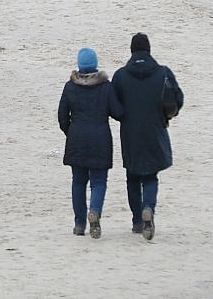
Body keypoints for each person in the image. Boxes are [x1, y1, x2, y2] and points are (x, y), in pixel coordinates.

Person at [111, 33, 183, 240]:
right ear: (149, 50)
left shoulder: (121, 76)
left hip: (130, 133)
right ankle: (149, 208)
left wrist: (124, 116)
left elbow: (114, 106)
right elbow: (178, 98)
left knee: (132, 177)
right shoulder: (163, 73)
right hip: (155, 129)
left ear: (132, 51)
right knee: (151, 175)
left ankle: (136, 221)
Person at [58, 47, 123, 239]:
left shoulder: (70, 86)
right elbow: (118, 112)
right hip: (100, 138)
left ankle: (79, 223)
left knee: (78, 182)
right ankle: (94, 211)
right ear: (95, 64)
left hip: (76, 138)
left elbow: (62, 116)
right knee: (98, 181)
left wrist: (71, 131)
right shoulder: (105, 86)